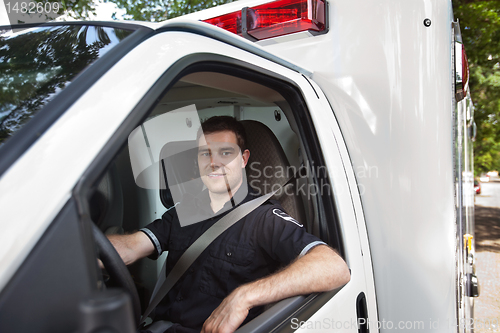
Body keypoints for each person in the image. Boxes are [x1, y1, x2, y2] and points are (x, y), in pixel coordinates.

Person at [108, 116, 350, 333]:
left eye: (225, 153)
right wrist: (84, 249)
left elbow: (334, 267)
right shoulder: (183, 212)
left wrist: (245, 296)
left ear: (243, 159)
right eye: (205, 153)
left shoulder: (264, 218)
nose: (214, 162)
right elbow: (130, 247)